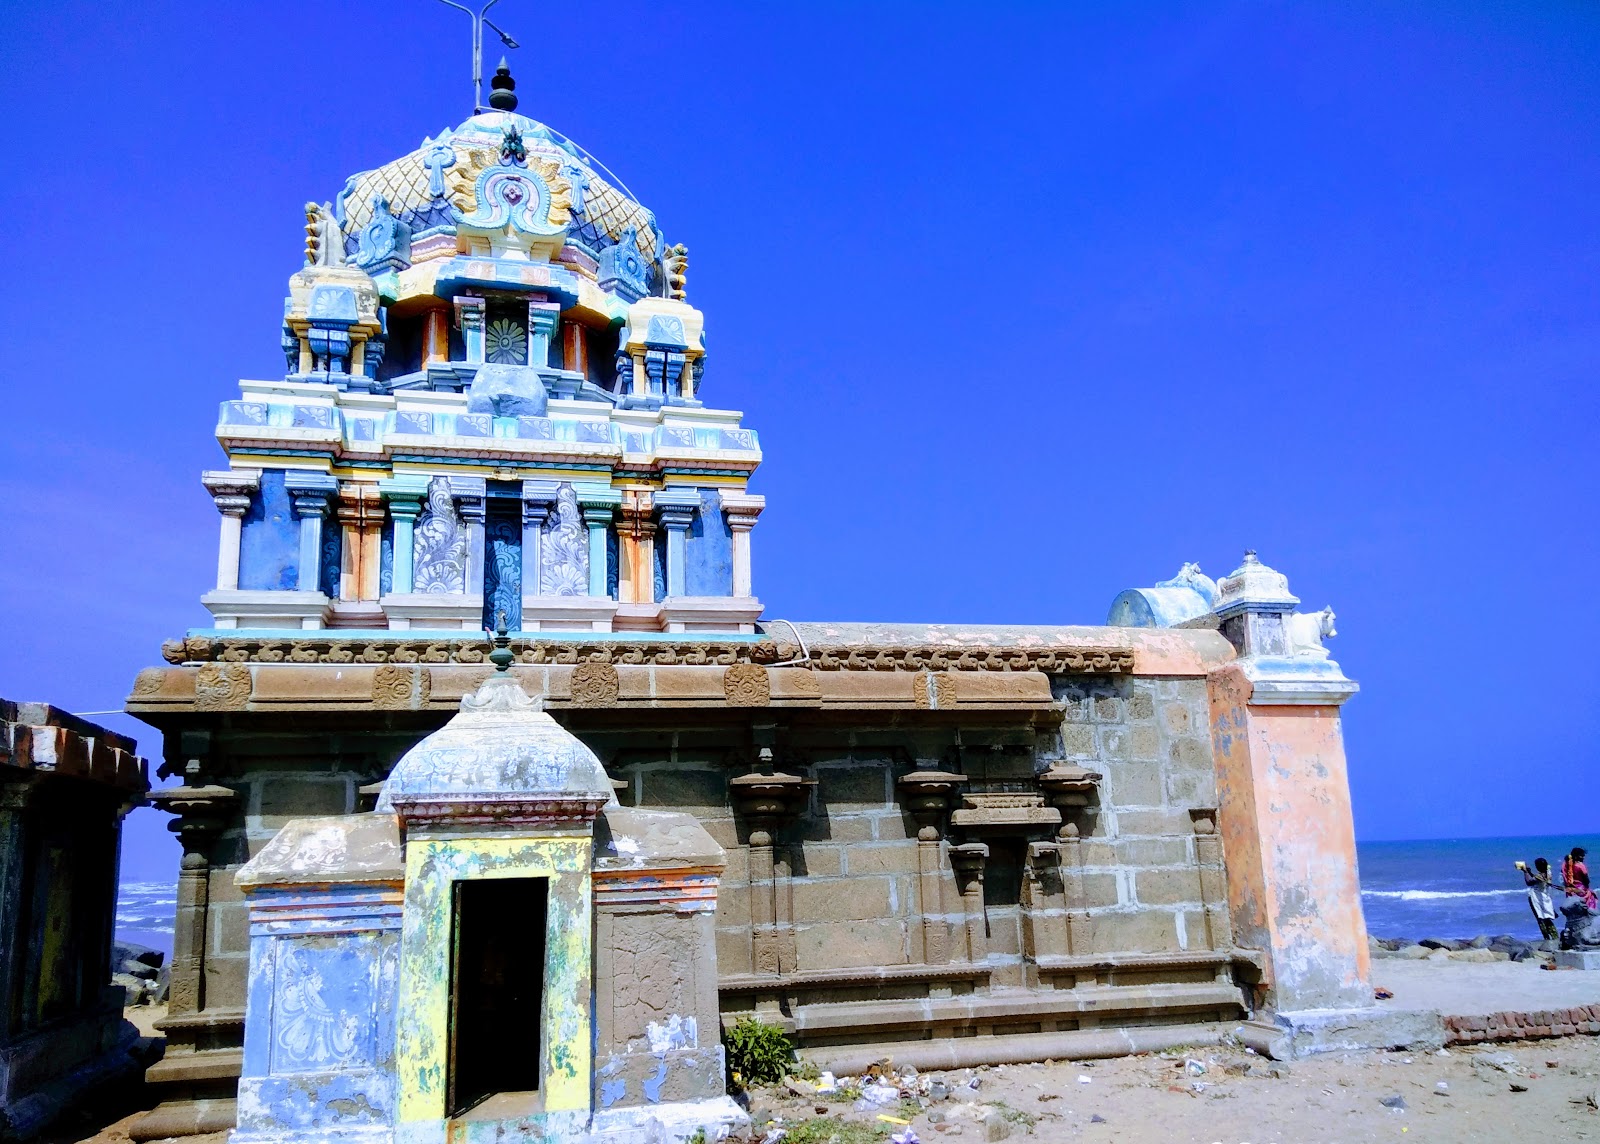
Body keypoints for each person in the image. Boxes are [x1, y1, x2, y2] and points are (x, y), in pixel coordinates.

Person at [1518, 858, 1559, 941]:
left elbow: (1529, 882)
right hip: (1545, 897)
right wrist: (1529, 872)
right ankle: (1555, 937)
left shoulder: (1540, 876)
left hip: (1537, 898)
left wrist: (1525, 871)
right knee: (1547, 917)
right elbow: (1536, 879)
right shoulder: (1548, 872)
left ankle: (1547, 938)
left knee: (1541, 919)